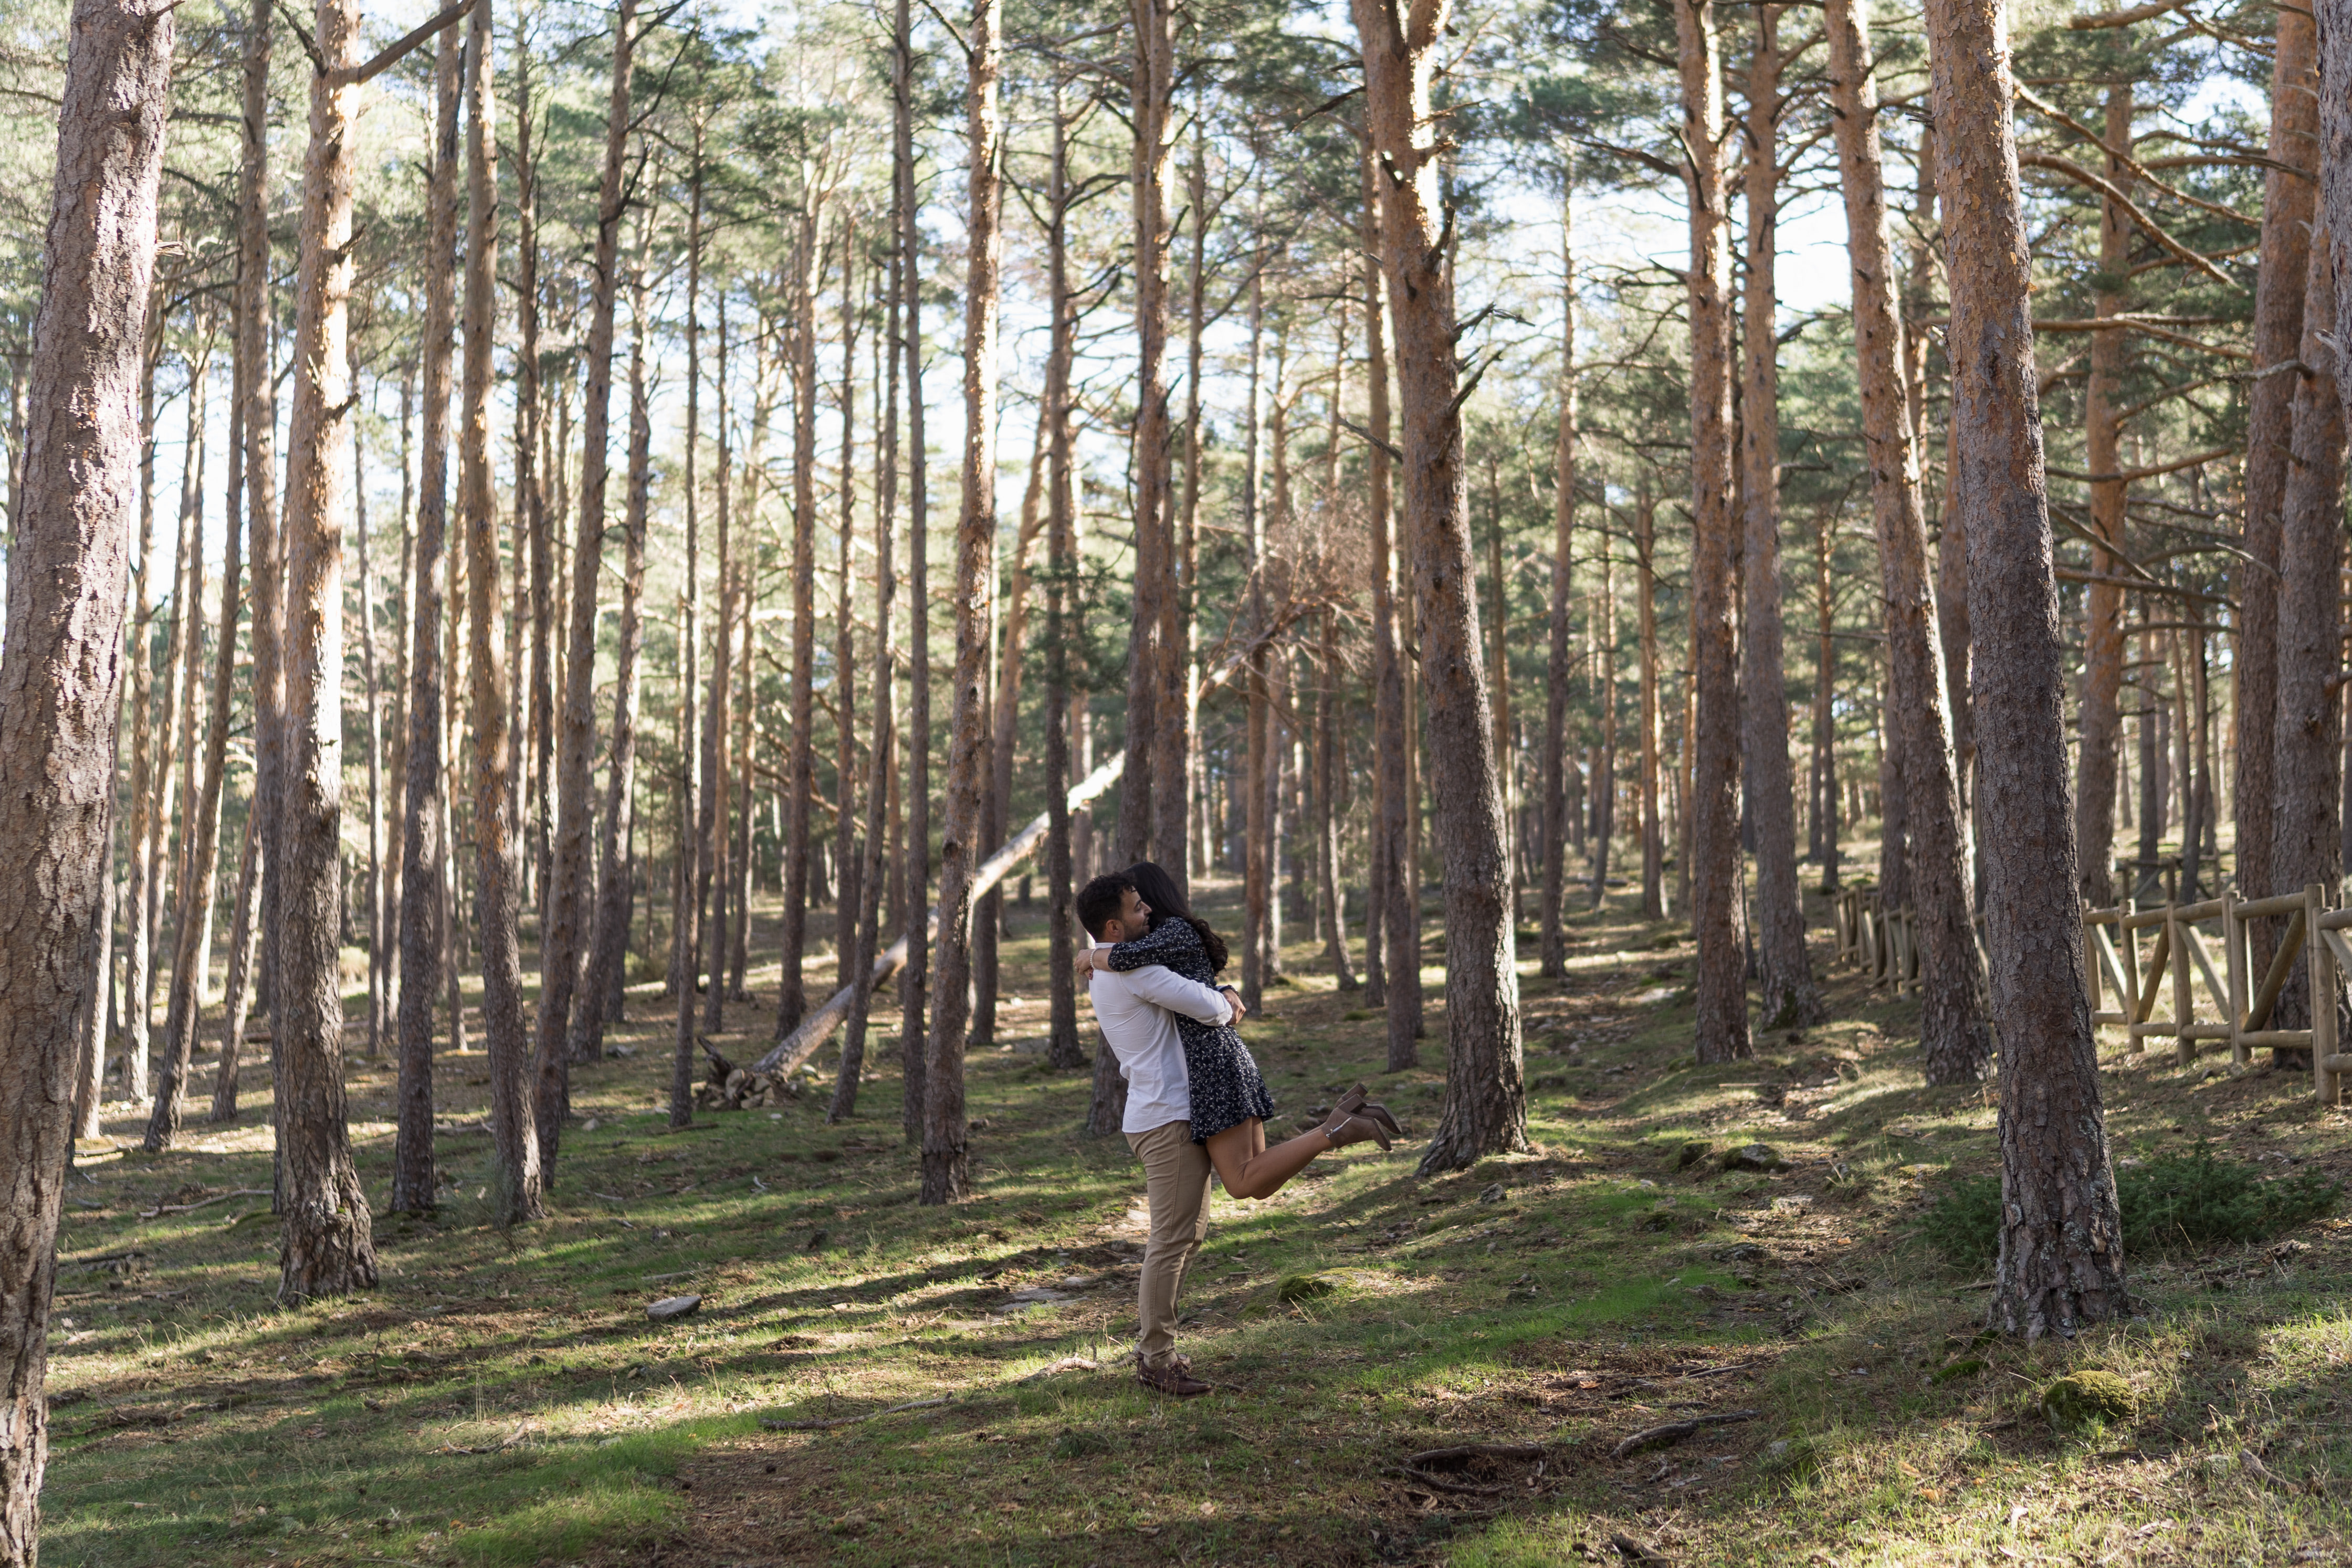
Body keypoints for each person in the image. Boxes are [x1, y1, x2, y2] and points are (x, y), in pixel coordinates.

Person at [1075, 868, 1398, 1396]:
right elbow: (1211, 1007)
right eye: (1137, 909)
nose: (1148, 914)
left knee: (1188, 1235)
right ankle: (1156, 1358)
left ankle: (1160, 1351)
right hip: (1165, 1114)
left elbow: (1196, 994)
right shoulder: (1131, 969)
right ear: (1114, 926)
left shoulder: (1123, 961)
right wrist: (1221, 995)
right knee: (1172, 1239)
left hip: (1181, 1107)